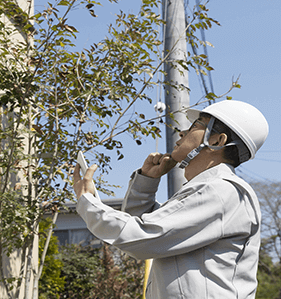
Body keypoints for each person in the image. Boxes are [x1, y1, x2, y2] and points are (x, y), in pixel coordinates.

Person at [73, 100, 269, 299]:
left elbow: (141, 236)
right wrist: (146, 182)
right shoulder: (209, 190)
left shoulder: (222, 190)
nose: (182, 133)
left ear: (217, 141)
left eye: (195, 126)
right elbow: (150, 231)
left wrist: (88, 202)